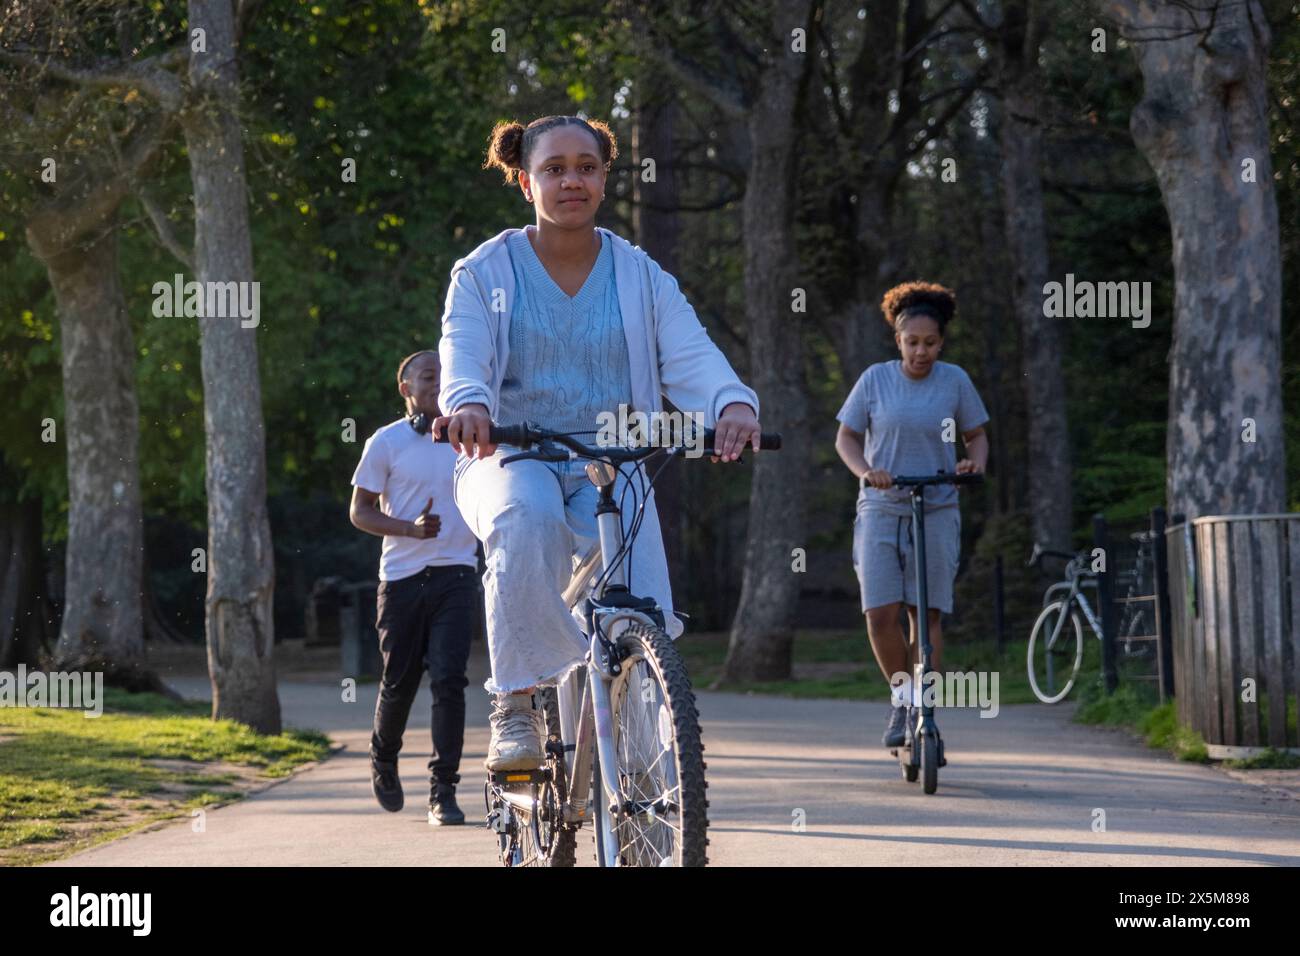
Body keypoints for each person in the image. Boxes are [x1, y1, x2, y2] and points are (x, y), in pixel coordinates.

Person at [433, 114, 762, 772]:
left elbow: (693, 357)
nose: (571, 180)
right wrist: (466, 403)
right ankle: (519, 702)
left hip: (612, 464)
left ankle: (640, 767)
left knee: (638, 607)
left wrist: (730, 404)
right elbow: (462, 353)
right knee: (525, 518)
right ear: (527, 183)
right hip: (509, 452)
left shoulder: (639, 275)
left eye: (586, 166)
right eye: (554, 169)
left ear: (605, 178)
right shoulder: (485, 272)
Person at [833, 282, 989, 749]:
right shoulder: (875, 380)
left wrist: (972, 464)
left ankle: (925, 711)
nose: (921, 351)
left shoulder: (955, 381)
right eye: (912, 342)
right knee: (881, 613)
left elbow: (975, 435)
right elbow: (846, 438)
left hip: (937, 505)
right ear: (898, 340)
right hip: (882, 507)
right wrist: (868, 472)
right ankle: (902, 698)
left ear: (942, 342)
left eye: (930, 342)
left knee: (927, 614)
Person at [349, 350, 479, 824]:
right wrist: (409, 528)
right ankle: (383, 758)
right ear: (406, 388)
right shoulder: (385, 442)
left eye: (444, 375)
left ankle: (443, 791)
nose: (438, 383)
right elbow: (359, 511)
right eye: (428, 377)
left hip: (457, 574)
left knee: (449, 680)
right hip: (402, 578)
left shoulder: (472, 439)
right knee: (400, 682)